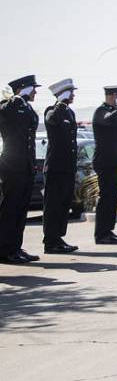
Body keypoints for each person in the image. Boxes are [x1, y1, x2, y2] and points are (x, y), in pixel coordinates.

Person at [0, 75, 41, 264]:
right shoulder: (9, 107)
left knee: (21, 209)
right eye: (32, 88)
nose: (35, 91)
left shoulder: (27, 108)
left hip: (25, 164)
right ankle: (5, 250)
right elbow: (5, 113)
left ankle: (16, 247)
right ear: (22, 88)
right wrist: (16, 98)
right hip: (12, 165)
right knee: (10, 208)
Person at [42, 78, 80, 254]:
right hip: (56, 167)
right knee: (53, 205)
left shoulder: (70, 113)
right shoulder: (52, 110)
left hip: (67, 166)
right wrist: (60, 102)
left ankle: (59, 237)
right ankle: (50, 241)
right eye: (69, 92)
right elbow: (52, 121)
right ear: (61, 94)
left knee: (64, 204)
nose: (72, 95)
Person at [92, 84, 117, 244]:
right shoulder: (101, 111)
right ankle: (101, 234)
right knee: (106, 197)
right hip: (105, 162)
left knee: (113, 198)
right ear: (112, 96)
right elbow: (109, 120)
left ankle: (109, 230)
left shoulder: (115, 112)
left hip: (115, 161)